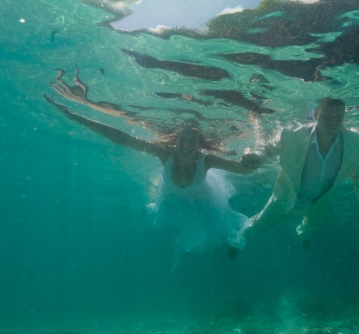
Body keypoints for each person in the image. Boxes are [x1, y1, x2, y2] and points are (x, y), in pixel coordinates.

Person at [45, 95, 261, 268]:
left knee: (221, 224)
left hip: (204, 200)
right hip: (170, 198)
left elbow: (242, 170)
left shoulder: (207, 159)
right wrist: (77, 118)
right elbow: (123, 138)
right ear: (175, 142)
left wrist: (252, 157)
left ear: (199, 144)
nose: (186, 145)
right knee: (169, 219)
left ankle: (235, 244)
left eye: (192, 141)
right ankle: (157, 213)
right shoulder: (164, 154)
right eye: (183, 140)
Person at [243, 97, 359, 248]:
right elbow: (266, 149)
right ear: (316, 114)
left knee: (311, 227)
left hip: (319, 203)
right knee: (259, 225)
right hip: (286, 196)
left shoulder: (355, 142)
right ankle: (237, 238)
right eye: (327, 116)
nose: (332, 122)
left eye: (338, 117)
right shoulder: (292, 134)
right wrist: (256, 158)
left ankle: (302, 234)